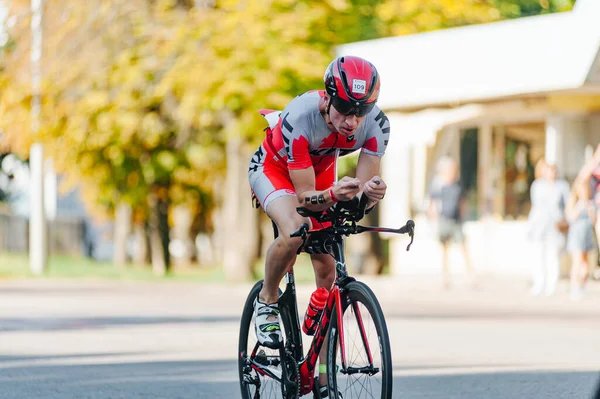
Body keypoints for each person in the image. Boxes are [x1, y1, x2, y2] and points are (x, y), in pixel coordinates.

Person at [247, 56, 389, 396]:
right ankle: (267, 299)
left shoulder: (378, 126)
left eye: (361, 111)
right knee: (297, 228)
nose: (352, 121)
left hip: (320, 170)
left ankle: (323, 377)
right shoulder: (301, 115)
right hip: (276, 169)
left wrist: (370, 195)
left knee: (328, 270)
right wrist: (330, 193)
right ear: (326, 99)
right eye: (344, 108)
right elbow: (304, 198)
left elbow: (359, 199)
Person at [427, 156, 474, 289]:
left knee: (462, 246)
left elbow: (462, 201)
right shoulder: (438, 184)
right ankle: (445, 276)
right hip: (444, 219)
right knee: (444, 249)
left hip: (456, 220)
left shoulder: (457, 184)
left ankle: (470, 274)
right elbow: (433, 203)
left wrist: (463, 214)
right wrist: (433, 218)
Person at [527, 162, 570, 296]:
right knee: (537, 255)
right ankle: (538, 283)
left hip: (554, 226)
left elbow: (567, 204)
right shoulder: (537, 185)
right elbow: (535, 205)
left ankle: (551, 285)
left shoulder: (562, 186)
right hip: (539, 225)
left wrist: (565, 220)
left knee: (552, 256)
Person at [565, 179, 596, 300]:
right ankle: (574, 287)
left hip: (587, 234)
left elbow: (593, 221)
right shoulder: (573, 202)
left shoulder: (590, 203)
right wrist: (579, 207)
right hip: (577, 235)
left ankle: (583, 285)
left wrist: (590, 209)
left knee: (585, 263)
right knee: (577, 262)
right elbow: (570, 217)